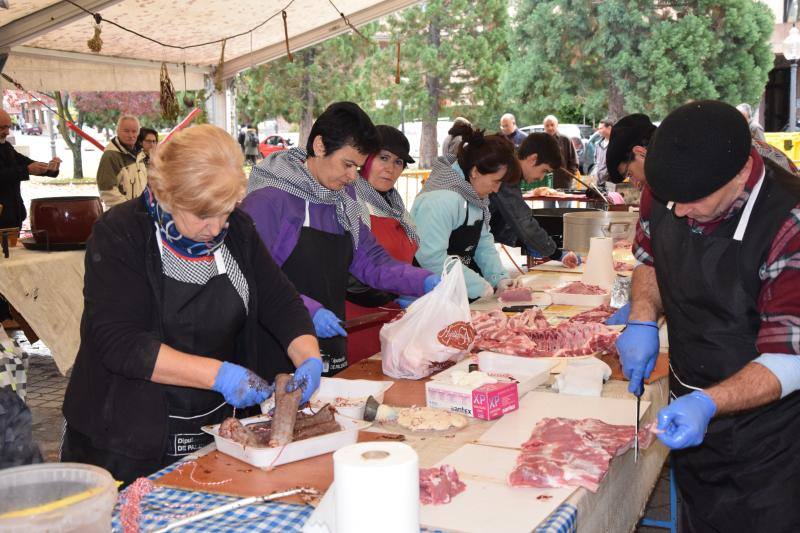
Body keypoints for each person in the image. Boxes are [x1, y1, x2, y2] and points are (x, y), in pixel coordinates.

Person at [61, 124, 323, 486]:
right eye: (203, 215)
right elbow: (121, 343)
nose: (216, 229)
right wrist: (220, 375)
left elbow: (281, 301)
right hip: (122, 439)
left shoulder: (238, 231)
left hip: (212, 428)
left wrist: (308, 357)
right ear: (167, 194)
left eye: (225, 212)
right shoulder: (120, 234)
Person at [616, 101, 800, 532]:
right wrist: (642, 316)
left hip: (772, 440)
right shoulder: (668, 188)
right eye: (671, 201)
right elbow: (649, 259)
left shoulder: (788, 221)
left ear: (740, 173)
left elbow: (792, 355)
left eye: (692, 201)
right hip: (692, 412)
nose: (678, 212)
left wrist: (708, 403)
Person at [242, 102, 438, 376]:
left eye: (357, 167)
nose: (352, 177)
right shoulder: (269, 200)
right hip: (277, 344)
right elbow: (251, 276)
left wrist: (422, 280)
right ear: (320, 146)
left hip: (330, 340)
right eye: (347, 164)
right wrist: (307, 311)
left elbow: (371, 261)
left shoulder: (343, 200)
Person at [411, 123, 521, 300]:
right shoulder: (440, 200)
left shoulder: (472, 193)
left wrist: (499, 278)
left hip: (454, 292)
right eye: (495, 181)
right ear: (475, 171)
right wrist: (478, 286)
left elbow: (483, 242)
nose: (496, 189)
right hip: (426, 298)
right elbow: (431, 257)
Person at [347, 125, 419, 364]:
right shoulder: (350, 200)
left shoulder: (396, 205)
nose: (390, 168)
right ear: (365, 159)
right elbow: (348, 278)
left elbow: (409, 256)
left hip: (396, 326)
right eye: (383, 158)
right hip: (358, 324)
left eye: (398, 162)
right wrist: (396, 291)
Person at [488, 132, 580, 267]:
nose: (541, 178)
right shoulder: (507, 174)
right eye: (544, 170)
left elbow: (505, 219)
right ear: (533, 159)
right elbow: (522, 221)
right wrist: (556, 253)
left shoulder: (509, 172)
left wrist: (525, 241)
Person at [0, 109, 60, 229]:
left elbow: (26, 163)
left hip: (13, 214)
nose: (7, 132)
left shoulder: (6, 146)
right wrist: (26, 170)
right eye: (2, 128)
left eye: (8, 127)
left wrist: (49, 169)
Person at [96, 115, 147, 209]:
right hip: (120, 214)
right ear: (117, 131)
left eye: (134, 131)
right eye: (126, 131)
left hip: (140, 212)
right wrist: (129, 209)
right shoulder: (110, 156)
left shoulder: (141, 154)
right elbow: (106, 191)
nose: (131, 135)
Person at [543, 115, 579, 189]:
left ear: (557, 125)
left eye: (552, 125)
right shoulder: (539, 140)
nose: (550, 128)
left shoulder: (565, 139)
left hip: (563, 182)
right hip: (544, 182)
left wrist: (568, 175)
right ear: (544, 127)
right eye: (547, 125)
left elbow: (574, 160)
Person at [591, 118, 613, 186]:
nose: (598, 131)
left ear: (609, 128)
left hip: (612, 183)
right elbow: (596, 163)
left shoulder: (617, 144)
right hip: (599, 183)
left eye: (601, 128)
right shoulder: (598, 145)